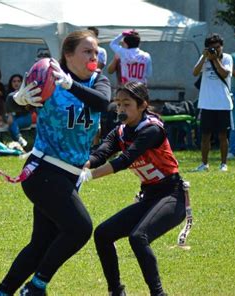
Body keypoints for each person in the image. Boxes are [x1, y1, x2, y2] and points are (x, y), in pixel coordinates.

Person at [0, 30, 111, 296]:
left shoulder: (98, 80)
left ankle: (2, 293)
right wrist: (19, 99)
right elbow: (12, 105)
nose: (94, 56)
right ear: (68, 55)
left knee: (40, 244)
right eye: (87, 51)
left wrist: (71, 85)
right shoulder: (49, 76)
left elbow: (103, 103)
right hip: (43, 170)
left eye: (95, 51)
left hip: (69, 175)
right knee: (80, 228)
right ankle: (36, 288)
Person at [79, 82, 186, 296]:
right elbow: (100, 154)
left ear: (142, 105)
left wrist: (87, 176)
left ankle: (158, 294)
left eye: (126, 104)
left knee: (138, 237)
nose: (120, 109)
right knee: (103, 234)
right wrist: (81, 166)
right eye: (118, 104)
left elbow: (125, 160)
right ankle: (116, 292)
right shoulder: (120, 131)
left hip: (172, 196)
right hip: (150, 196)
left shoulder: (152, 129)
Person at [192, 33, 233, 172]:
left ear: (221, 46)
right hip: (206, 103)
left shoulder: (227, 58)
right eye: (212, 48)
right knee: (205, 135)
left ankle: (223, 164)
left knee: (222, 135)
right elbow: (195, 72)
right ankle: (204, 164)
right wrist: (204, 57)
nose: (215, 50)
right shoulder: (205, 58)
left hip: (222, 103)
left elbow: (224, 73)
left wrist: (215, 60)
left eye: (217, 47)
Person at [5, 74, 31, 147]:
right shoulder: (9, 95)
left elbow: (29, 108)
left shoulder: (27, 92)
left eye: (19, 81)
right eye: (14, 81)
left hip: (26, 117)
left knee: (13, 124)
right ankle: (19, 143)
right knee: (11, 123)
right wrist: (9, 115)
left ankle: (18, 140)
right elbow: (7, 112)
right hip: (14, 117)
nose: (16, 83)